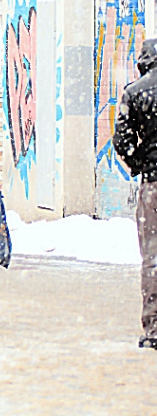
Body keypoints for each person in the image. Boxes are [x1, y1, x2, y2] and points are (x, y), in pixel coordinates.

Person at [113, 38, 157, 350]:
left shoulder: (134, 92)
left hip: (154, 184)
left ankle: (153, 328)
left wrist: (140, 161)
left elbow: (122, 140)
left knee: (153, 258)